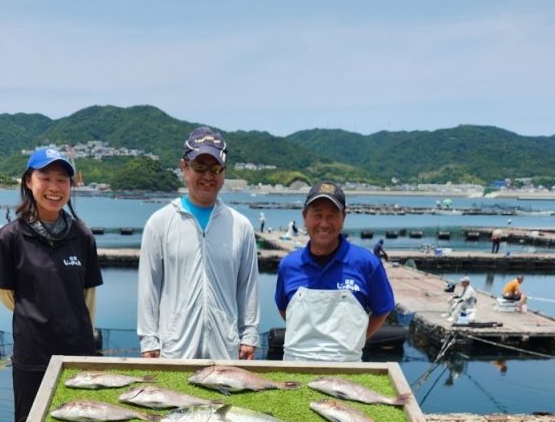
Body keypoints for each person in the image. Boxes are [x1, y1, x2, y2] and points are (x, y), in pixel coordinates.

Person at [0, 147, 102, 422]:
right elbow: (6, 295)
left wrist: (72, 322)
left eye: (62, 180)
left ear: (70, 186)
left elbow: (88, 293)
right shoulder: (10, 237)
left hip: (78, 347)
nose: (54, 188)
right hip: (32, 347)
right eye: (46, 178)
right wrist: (40, 315)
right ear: (29, 181)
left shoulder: (82, 235)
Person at [137, 126, 259, 360]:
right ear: (184, 167)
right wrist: (149, 339)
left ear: (224, 171)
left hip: (226, 349)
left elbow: (248, 286)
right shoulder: (160, 223)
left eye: (215, 169)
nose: (208, 176)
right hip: (175, 349)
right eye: (199, 167)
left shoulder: (241, 226)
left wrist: (249, 334)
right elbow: (148, 286)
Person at [274, 182, 395, 361]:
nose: (324, 223)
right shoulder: (288, 265)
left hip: (347, 364)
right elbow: (284, 309)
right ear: (305, 216)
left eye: (331, 216)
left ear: (343, 217)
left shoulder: (367, 263)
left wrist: (355, 340)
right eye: (317, 215)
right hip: (295, 362)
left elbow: (383, 310)